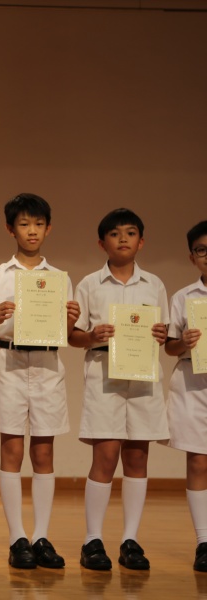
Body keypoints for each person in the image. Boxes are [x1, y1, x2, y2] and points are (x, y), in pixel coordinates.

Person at [0, 193, 79, 570]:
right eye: (23, 224)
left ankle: (41, 537)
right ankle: (17, 537)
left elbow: (66, 333)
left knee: (44, 453)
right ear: (10, 229)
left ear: (48, 228)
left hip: (47, 364)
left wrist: (71, 318)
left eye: (38, 224)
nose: (31, 231)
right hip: (10, 361)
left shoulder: (59, 278)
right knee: (11, 451)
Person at [69, 208, 169, 571]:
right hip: (105, 376)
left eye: (130, 233)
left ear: (141, 241)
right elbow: (73, 336)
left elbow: (164, 334)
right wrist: (92, 335)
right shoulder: (89, 284)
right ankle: (92, 540)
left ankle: (130, 540)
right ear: (102, 243)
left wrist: (161, 334)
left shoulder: (154, 285)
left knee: (138, 457)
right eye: (114, 234)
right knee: (106, 456)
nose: (122, 238)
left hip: (143, 377)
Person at [163, 221, 207, 572]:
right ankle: (204, 542)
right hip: (194, 383)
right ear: (192, 257)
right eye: (202, 250)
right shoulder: (184, 297)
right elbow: (169, 347)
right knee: (198, 462)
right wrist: (185, 342)